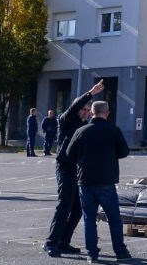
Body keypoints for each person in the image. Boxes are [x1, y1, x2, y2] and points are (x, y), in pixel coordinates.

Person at [66, 100, 131, 263]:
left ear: (91, 113)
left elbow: (69, 154)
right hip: (106, 180)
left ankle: (92, 253)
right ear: (107, 113)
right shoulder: (113, 130)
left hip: (85, 180)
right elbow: (124, 152)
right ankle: (120, 251)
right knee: (114, 218)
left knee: (89, 219)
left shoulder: (81, 131)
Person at [43, 81, 103, 258]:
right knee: (65, 204)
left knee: (77, 208)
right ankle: (51, 242)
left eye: (87, 110)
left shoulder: (86, 126)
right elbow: (74, 107)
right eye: (82, 109)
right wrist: (91, 93)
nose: (85, 112)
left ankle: (63, 241)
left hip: (78, 170)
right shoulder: (66, 120)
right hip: (65, 168)